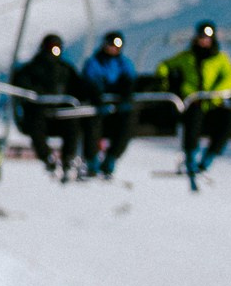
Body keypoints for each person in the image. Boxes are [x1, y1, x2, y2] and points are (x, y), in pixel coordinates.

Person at [159, 21, 231, 177]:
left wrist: (214, 93)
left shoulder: (220, 59)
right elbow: (165, 65)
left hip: (212, 104)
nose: (204, 41)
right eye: (201, 37)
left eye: (207, 38)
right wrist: (164, 80)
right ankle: (190, 156)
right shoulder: (187, 57)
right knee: (193, 117)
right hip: (192, 102)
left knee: (230, 117)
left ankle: (209, 156)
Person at [9, 33, 94, 178]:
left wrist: (90, 94)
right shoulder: (32, 68)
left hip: (60, 115)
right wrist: (37, 94)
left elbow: (79, 87)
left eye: (57, 48)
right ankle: (47, 157)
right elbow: (22, 84)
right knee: (36, 124)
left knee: (73, 124)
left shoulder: (65, 70)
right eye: (51, 48)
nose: (54, 51)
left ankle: (68, 157)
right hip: (39, 114)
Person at [81, 29, 138, 179]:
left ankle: (111, 158)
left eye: (117, 45)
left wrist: (125, 99)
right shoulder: (94, 62)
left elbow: (129, 81)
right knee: (92, 122)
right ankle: (92, 160)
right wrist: (98, 100)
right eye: (110, 45)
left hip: (116, 109)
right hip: (98, 106)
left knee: (128, 123)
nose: (113, 48)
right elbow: (90, 81)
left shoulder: (124, 63)